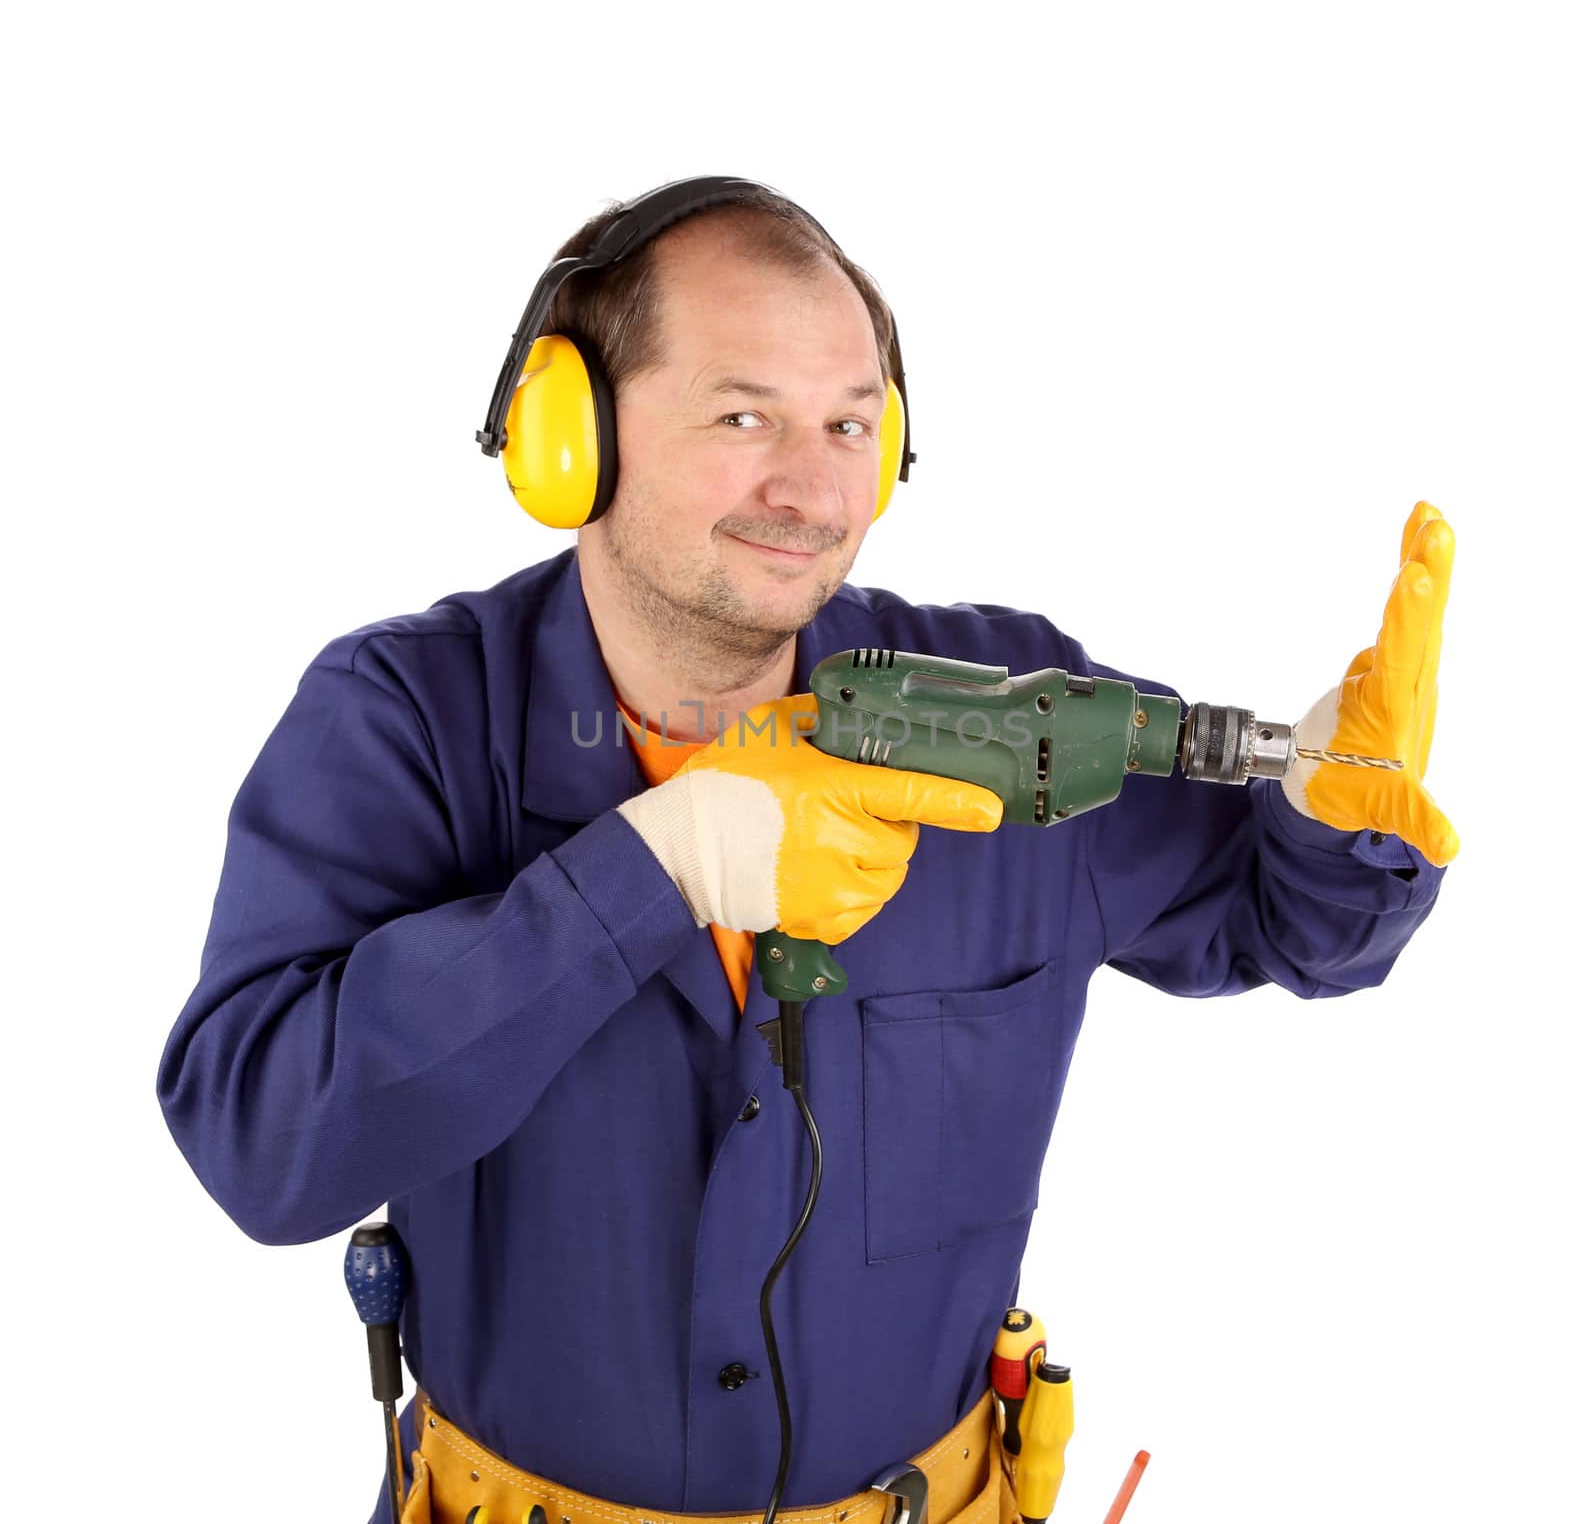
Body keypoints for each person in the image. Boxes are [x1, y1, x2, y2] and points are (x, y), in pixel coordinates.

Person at [156, 179, 1456, 1524]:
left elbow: (1289, 927)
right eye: (742, 414)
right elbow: (262, 1144)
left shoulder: (1013, 718)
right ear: (570, 435)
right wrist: (651, 873)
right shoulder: (406, 727)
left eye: (850, 421)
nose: (813, 483)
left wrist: (1330, 812)